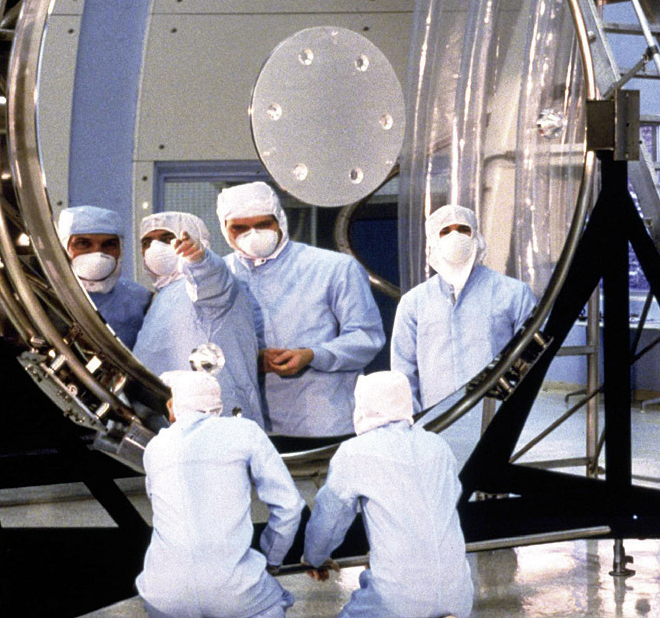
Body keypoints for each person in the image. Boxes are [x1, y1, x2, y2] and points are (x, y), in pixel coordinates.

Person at [217, 181, 385, 437]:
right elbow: (204, 348)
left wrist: (312, 355)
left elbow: (366, 338)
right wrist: (250, 360)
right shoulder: (217, 279)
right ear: (223, 228)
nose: (253, 235)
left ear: (280, 220)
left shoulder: (334, 268)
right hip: (246, 424)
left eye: (263, 224)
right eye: (239, 228)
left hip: (323, 422)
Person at [302, 371, 474, 618]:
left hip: (396, 601)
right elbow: (449, 501)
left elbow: (329, 519)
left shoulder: (354, 453)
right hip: (458, 594)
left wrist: (314, 557)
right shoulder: (438, 446)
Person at [136, 370, 304, 618]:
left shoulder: (154, 448)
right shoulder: (245, 431)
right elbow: (290, 506)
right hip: (236, 593)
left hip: (163, 595)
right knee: (274, 601)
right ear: (217, 405)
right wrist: (271, 560)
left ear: (172, 407)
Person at [391, 204, 537, 467]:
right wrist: (415, 423)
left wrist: (513, 414)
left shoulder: (514, 293)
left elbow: (531, 360)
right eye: (445, 231)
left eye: (463, 229)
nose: (455, 236)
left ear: (476, 236)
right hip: (435, 423)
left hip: (496, 420)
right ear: (432, 240)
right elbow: (404, 370)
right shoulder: (414, 303)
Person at [132, 211, 265, 427]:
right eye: (147, 242)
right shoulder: (161, 297)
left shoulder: (209, 284)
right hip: (171, 421)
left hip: (216, 418)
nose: (154, 248)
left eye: (166, 238)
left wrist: (198, 260)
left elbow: (211, 281)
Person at [57, 205, 150, 349]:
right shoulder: (44, 295)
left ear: (120, 250)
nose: (97, 254)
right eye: (83, 244)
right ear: (64, 247)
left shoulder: (140, 299)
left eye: (109, 244)